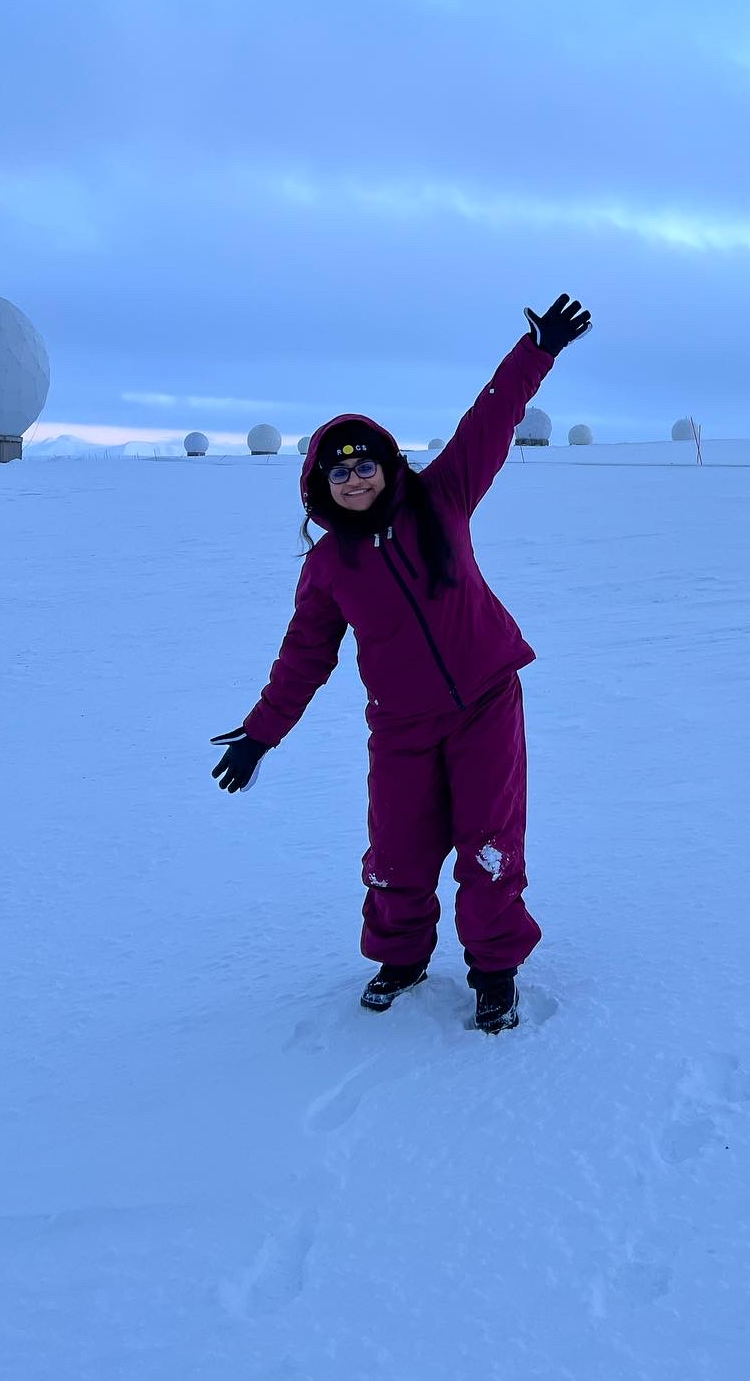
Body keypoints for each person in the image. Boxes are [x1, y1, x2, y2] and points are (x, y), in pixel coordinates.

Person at [210, 295, 591, 1034]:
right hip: (402, 725)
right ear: (319, 484)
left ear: (387, 467)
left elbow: (490, 421)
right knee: (396, 850)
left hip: (485, 703)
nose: (355, 479)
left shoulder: (442, 497)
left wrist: (536, 351)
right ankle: (402, 958)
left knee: (488, 845)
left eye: (366, 465)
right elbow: (304, 658)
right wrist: (260, 734)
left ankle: (495, 972)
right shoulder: (328, 567)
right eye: (339, 472)